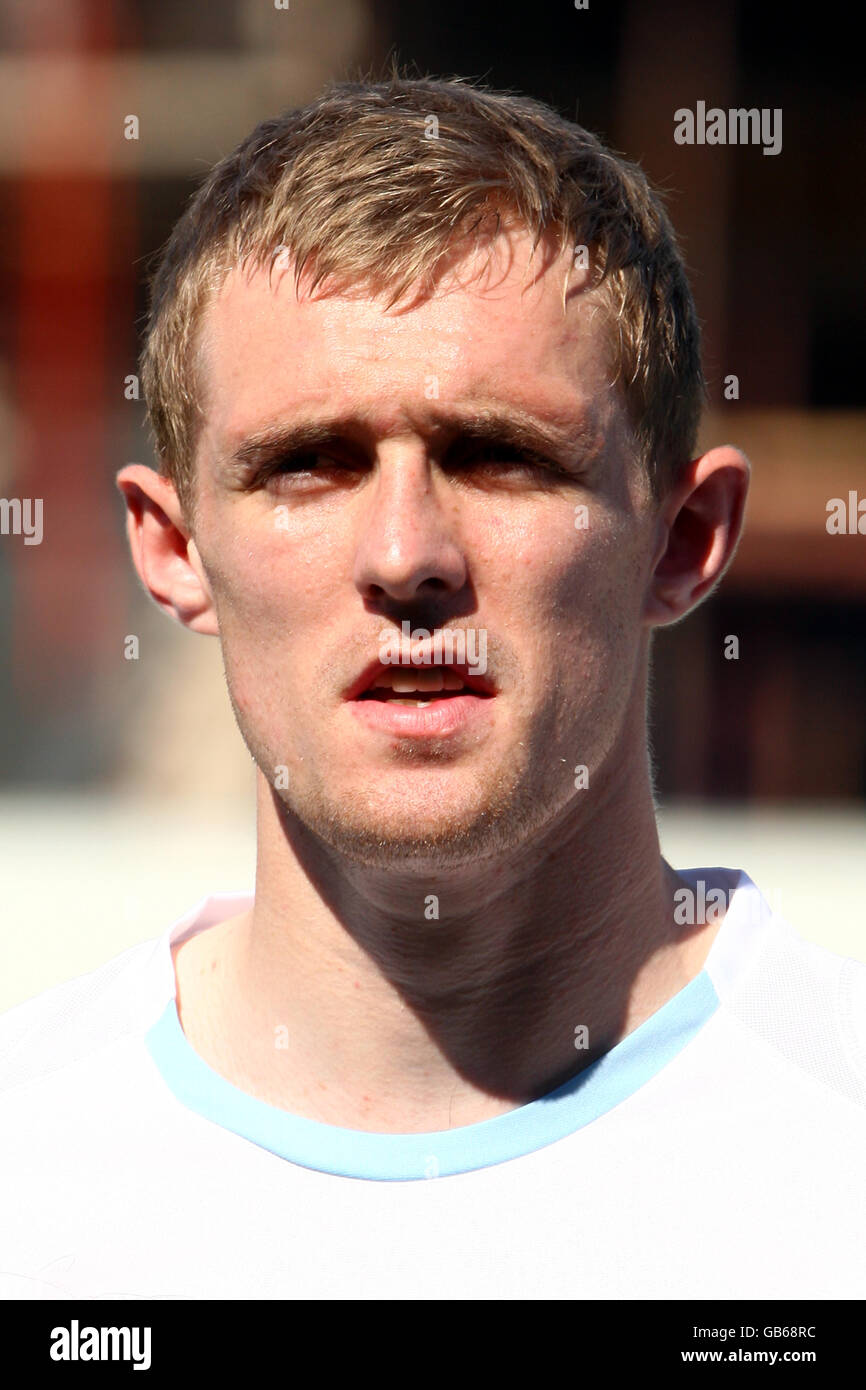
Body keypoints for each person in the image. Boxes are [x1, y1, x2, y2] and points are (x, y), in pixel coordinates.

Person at [1, 73, 863, 1302]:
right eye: (309, 464)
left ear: (680, 540)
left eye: (500, 456)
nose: (406, 554)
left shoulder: (836, 1147)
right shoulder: (26, 1174)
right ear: (173, 548)